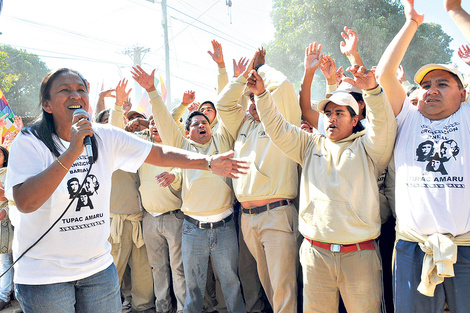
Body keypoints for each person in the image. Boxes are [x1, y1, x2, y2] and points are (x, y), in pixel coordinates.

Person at [4, 68, 246, 313]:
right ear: (46, 105)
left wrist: (207, 163)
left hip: (97, 270)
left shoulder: (104, 136)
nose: (75, 96)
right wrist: (72, 151)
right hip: (45, 277)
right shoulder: (29, 141)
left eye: (81, 90)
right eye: (64, 91)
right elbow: (26, 202)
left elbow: (159, 153)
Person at [249, 62, 396, 312]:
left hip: (359, 256)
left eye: (340, 113)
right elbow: (277, 127)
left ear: (355, 119)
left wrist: (373, 90)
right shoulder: (309, 145)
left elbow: (384, 126)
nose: (332, 118)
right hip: (315, 255)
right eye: (328, 113)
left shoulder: (369, 149)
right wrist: (262, 96)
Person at [375, 0, 470, 311]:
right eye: (425, 85)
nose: (431, 90)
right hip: (412, 251)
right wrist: (411, 23)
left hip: (465, 249)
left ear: (463, 93)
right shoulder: (407, 117)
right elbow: (386, 73)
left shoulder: (468, 118)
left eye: (443, 84)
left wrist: (455, 10)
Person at [132, 65, 246, 313]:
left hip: (225, 228)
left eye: (205, 121)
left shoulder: (223, 140)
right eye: (195, 123)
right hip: (192, 230)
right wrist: (151, 90)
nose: (201, 125)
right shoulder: (182, 149)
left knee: (231, 284)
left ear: (212, 126)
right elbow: (164, 122)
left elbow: (227, 105)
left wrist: (228, 74)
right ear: (187, 131)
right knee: (193, 289)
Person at [216, 48, 301, 313]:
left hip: (276, 214)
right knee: (269, 286)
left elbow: (284, 86)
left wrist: (261, 68)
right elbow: (223, 104)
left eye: (258, 96)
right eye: (250, 98)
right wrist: (243, 77)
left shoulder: (281, 122)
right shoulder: (243, 125)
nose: (253, 101)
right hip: (249, 217)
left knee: (283, 287)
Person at [0, 146, 12, 311]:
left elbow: (13, 196)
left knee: (6, 259)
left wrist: (5, 211)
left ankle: (4, 296)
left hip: (6, 222)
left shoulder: (9, 172)